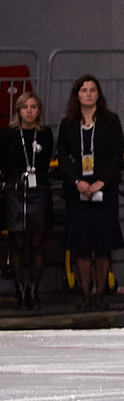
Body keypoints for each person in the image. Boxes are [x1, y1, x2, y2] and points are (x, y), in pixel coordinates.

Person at [56, 75, 124, 305]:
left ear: (98, 94)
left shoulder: (110, 120)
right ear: (77, 95)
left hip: (104, 189)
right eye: (84, 90)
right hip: (78, 190)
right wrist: (77, 181)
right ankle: (85, 295)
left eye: (92, 90)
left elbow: (117, 154)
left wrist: (101, 182)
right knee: (82, 245)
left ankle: (100, 294)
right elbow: (63, 157)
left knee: (103, 244)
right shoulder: (68, 123)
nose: (88, 94)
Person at [3, 91, 56, 310]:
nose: (29, 111)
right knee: (17, 242)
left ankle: (33, 290)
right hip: (15, 192)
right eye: (25, 107)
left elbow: (46, 160)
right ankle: (19, 291)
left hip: (38, 191)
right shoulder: (8, 134)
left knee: (37, 242)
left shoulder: (45, 134)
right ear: (18, 111)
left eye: (33, 107)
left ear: (38, 111)